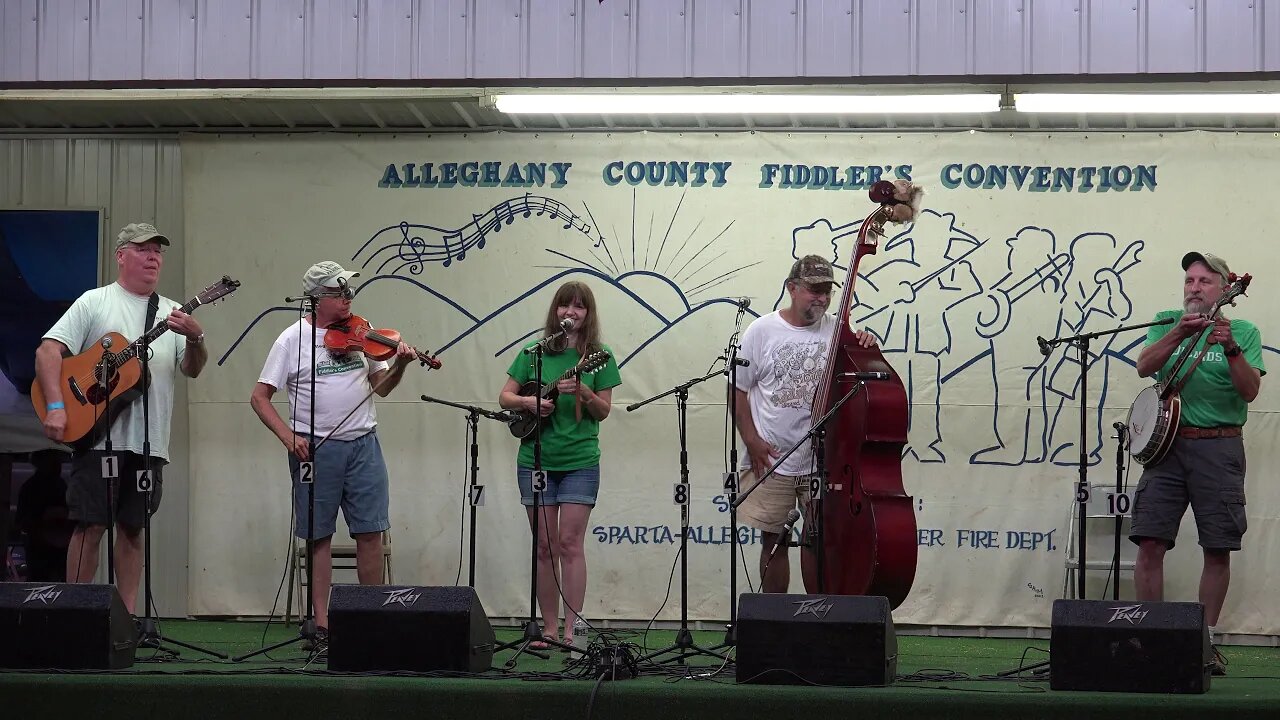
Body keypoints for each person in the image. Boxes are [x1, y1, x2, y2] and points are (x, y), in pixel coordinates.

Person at [35, 222, 207, 613]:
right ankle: (75, 615)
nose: (153, 257)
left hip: (150, 442)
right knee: (90, 525)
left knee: (133, 528)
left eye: (158, 251)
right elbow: (48, 352)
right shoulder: (94, 302)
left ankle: (125, 621)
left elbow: (192, 369)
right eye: (143, 249)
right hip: (97, 437)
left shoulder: (171, 313)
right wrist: (58, 406)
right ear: (121, 256)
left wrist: (196, 337)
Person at [251, 261, 416, 646]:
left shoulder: (362, 330)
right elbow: (260, 398)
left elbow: (383, 387)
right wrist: (288, 437)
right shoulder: (292, 339)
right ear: (315, 298)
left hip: (363, 444)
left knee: (371, 531)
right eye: (338, 292)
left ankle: (370, 619)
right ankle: (322, 625)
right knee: (318, 535)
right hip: (316, 448)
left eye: (349, 291)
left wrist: (402, 366)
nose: (347, 298)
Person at [1131, 251, 1264, 676]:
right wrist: (1177, 335)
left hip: (1218, 447)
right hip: (1167, 447)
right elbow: (1144, 366)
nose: (1194, 287)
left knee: (1217, 546)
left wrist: (1231, 348)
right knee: (1150, 541)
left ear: (1225, 289)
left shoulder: (1242, 329)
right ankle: (1150, 638)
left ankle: (1204, 644)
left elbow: (1250, 392)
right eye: (1190, 280)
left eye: (1205, 281)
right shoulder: (1167, 319)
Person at [734, 255, 877, 593]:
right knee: (774, 539)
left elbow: (859, 379)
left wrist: (868, 346)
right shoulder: (761, 330)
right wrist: (752, 440)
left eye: (827, 291)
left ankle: (817, 618)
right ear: (792, 288)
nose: (822, 298)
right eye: (814, 290)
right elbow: (737, 388)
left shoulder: (838, 331)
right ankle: (773, 619)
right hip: (773, 457)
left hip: (823, 461)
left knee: (818, 539)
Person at [498, 281, 621, 650]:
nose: (571, 312)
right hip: (535, 459)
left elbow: (603, 411)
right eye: (565, 306)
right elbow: (504, 397)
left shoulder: (600, 355)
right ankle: (549, 628)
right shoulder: (533, 353)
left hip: (580, 460)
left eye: (579, 307)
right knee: (544, 546)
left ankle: (574, 629)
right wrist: (528, 403)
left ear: (588, 314)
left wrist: (584, 391)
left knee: (570, 543)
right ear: (556, 312)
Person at [15, 449, 75, 581]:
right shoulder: (30, 487)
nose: (58, 464)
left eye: (57, 460)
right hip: (39, 547)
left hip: (61, 547)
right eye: (53, 460)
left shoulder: (61, 485)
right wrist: (44, 521)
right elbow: (22, 522)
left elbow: (71, 514)